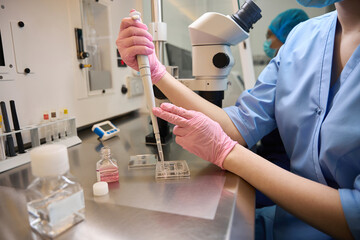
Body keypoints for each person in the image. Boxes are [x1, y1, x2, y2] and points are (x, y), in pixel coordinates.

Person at [116, 0, 360, 239]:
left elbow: (354, 218)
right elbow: (238, 125)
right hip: (283, 225)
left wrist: (227, 152)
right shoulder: (301, 38)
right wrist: (156, 71)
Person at [253, 8, 309, 208]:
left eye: (270, 35)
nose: (266, 42)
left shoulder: (297, 77)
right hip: (273, 160)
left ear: (286, 35)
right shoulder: (279, 70)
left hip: (286, 168)